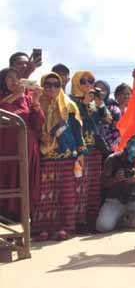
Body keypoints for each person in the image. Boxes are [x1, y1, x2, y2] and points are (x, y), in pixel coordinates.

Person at [35, 72, 85, 241]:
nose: (52, 88)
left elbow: (78, 131)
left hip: (67, 153)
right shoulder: (36, 104)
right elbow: (32, 126)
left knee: (66, 193)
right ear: (42, 86)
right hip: (45, 154)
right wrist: (40, 135)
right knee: (45, 193)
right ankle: (43, 228)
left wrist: (80, 153)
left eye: (56, 85)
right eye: (47, 84)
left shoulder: (69, 105)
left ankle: (65, 227)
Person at [0, 68, 44, 222]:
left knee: (26, 185)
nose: (14, 81)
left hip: (28, 149)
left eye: (16, 77)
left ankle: (24, 224)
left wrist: (36, 101)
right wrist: (15, 95)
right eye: (9, 78)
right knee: (9, 185)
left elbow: (37, 124)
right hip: (8, 150)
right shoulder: (4, 97)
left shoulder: (26, 99)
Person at [69, 71, 109, 231]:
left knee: (92, 185)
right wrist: (84, 103)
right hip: (80, 149)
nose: (88, 85)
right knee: (80, 186)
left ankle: (91, 219)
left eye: (91, 81)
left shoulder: (94, 102)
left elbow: (107, 119)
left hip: (94, 149)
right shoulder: (71, 102)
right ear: (77, 83)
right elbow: (76, 122)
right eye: (83, 81)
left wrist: (100, 103)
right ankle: (78, 222)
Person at [96, 135, 135, 233]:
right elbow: (102, 182)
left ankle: (133, 216)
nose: (132, 145)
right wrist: (115, 179)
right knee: (103, 226)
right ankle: (120, 219)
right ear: (124, 142)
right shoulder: (113, 159)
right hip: (115, 200)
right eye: (130, 142)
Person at [94, 80, 123, 155]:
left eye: (103, 89)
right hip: (93, 148)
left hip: (110, 148)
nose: (100, 91)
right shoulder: (90, 107)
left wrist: (111, 148)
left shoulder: (114, 109)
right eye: (97, 89)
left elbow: (117, 131)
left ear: (107, 91)